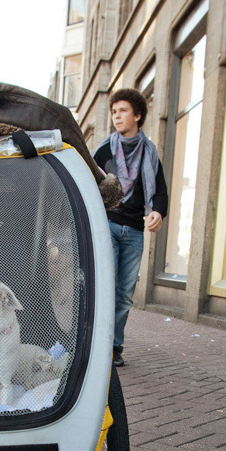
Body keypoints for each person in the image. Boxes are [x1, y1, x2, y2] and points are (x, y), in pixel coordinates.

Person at [92, 89, 168, 367]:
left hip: (135, 231)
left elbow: (160, 191)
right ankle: (98, 346)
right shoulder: (103, 151)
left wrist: (157, 212)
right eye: (114, 112)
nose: (117, 116)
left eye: (122, 110)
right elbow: (89, 184)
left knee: (124, 294)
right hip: (108, 226)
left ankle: (114, 348)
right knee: (106, 288)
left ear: (137, 115)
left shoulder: (149, 152)